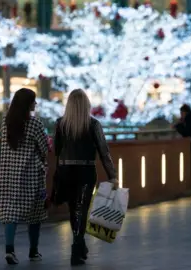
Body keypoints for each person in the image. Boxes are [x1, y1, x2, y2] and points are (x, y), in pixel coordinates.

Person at [53, 89, 117, 266]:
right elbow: (104, 152)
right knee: (83, 208)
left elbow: (57, 150)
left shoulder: (60, 124)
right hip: (86, 170)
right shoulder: (93, 124)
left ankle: (79, 245)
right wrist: (113, 175)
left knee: (74, 209)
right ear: (86, 105)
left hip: (66, 170)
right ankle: (77, 246)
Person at [0, 88, 49, 265]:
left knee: (10, 211)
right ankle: (33, 251)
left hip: (8, 174)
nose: (35, 103)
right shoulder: (35, 123)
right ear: (27, 103)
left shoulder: (6, 122)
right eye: (33, 101)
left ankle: (9, 250)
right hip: (31, 174)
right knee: (35, 213)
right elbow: (44, 148)